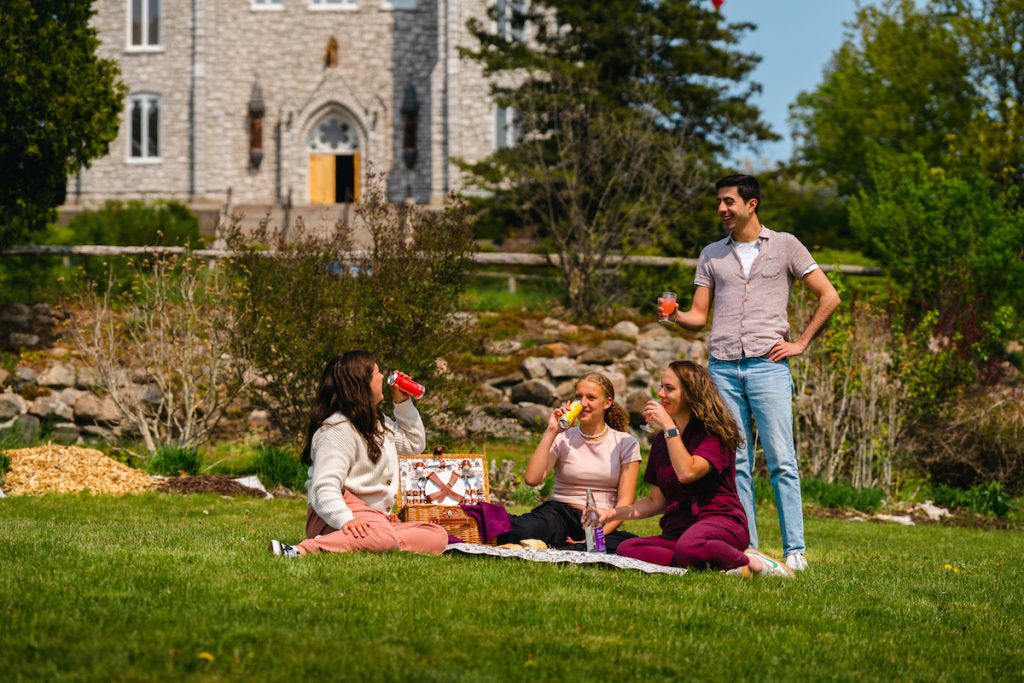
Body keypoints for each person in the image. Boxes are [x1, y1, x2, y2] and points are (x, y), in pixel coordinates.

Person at [663, 174, 841, 571]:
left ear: (751, 204)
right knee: (735, 462)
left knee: (782, 460)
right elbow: (698, 316)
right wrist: (674, 316)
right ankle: (750, 545)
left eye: (729, 202)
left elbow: (829, 296)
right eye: (719, 203)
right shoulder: (711, 254)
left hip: (768, 365)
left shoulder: (785, 246)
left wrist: (801, 343)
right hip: (723, 367)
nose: (722, 210)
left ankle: (796, 550)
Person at [597, 361, 793, 577]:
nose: (661, 394)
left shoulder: (712, 433)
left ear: (690, 393)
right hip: (679, 530)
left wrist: (669, 427)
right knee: (628, 549)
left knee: (689, 547)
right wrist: (612, 513)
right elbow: (656, 502)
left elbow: (687, 472)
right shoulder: (662, 443)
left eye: (669, 389)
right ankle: (715, 562)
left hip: (720, 522)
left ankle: (750, 560)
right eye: (661, 387)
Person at [269, 350, 448, 558]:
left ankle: (375, 539)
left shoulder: (377, 422)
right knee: (384, 538)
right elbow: (324, 488)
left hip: (377, 519)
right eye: (377, 372)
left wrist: (403, 403)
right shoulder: (336, 430)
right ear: (362, 384)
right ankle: (301, 550)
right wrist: (347, 520)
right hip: (336, 513)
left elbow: (413, 444)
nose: (382, 377)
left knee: (437, 535)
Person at [496, 372, 641, 553]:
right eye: (578, 397)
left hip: (599, 520)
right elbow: (532, 479)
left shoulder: (625, 442)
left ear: (607, 403)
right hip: (559, 514)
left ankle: (565, 546)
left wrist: (598, 537)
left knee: (630, 546)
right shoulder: (563, 437)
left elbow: (624, 504)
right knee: (518, 529)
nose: (583, 404)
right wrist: (551, 431)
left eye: (591, 397)